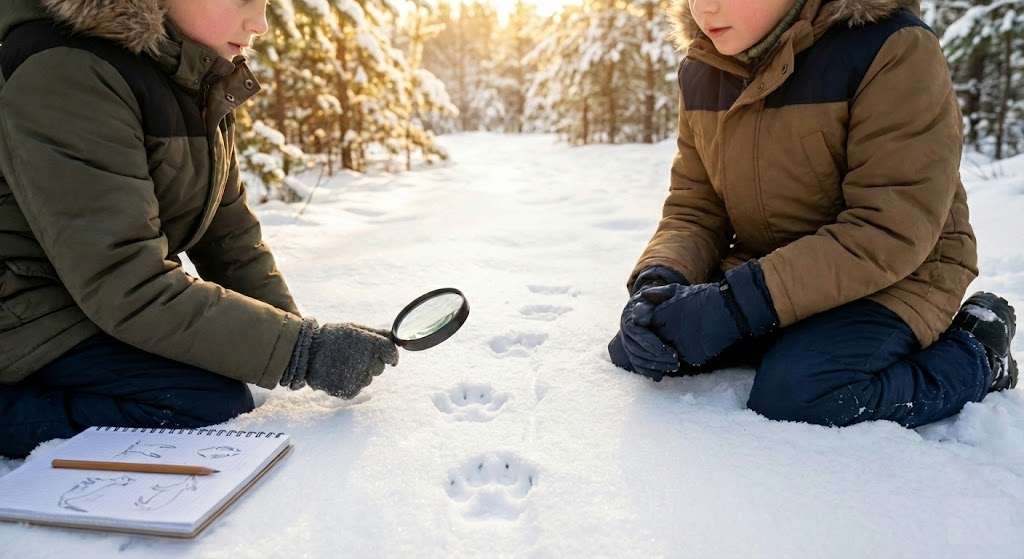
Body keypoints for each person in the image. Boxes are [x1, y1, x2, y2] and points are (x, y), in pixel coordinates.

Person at [0, 0, 399, 459]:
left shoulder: (192, 72)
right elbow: (125, 280)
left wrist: (304, 337)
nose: (261, 24)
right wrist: (301, 354)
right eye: (243, 0)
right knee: (201, 402)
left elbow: (229, 240)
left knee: (228, 369)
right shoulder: (66, 69)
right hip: (20, 308)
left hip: (79, 295)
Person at [609, 0, 1018, 429]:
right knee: (645, 346)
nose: (705, 7)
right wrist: (660, 281)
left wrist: (733, 306)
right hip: (771, 267)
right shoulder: (703, 68)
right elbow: (696, 209)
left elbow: (890, 227)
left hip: (899, 270)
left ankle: (980, 353)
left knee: (800, 393)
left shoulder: (889, 48)